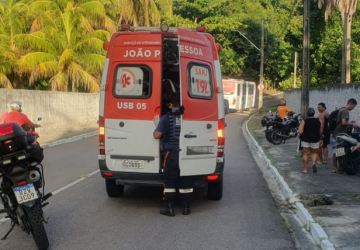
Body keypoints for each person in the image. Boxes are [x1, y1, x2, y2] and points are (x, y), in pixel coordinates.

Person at [153, 101, 192, 216]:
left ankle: (169, 208)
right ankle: (186, 208)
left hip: (171, 153)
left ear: (170, 105)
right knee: (185, 180)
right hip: (185, 153)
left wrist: (155, 129)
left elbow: (157, 135)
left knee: (170, 181)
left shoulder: (166, 118)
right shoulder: (187, 118)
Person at [330, 98, 358, 173]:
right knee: (339, 150)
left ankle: (338, 168)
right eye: (353, 106)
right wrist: (352, 124)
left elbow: (342, 122)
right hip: (340, 133)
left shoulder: (341, 109)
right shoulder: (345, 111)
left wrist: (349, 122)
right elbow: (343, 123)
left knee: (338, 150)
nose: (353, 108)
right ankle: (336, 168)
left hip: (337, 132)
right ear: (351, 104)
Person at [298, 107, 322, 174]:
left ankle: (305, 169)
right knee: (314, 153)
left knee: (305, 154)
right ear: (313, 113)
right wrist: (320, 138)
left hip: (305, 139)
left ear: (307, 114)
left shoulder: (304, 120)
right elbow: (320, 131)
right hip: (315, 139)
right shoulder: (318, 120)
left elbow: (300, 131)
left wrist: (300, 131)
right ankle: (314, 163)